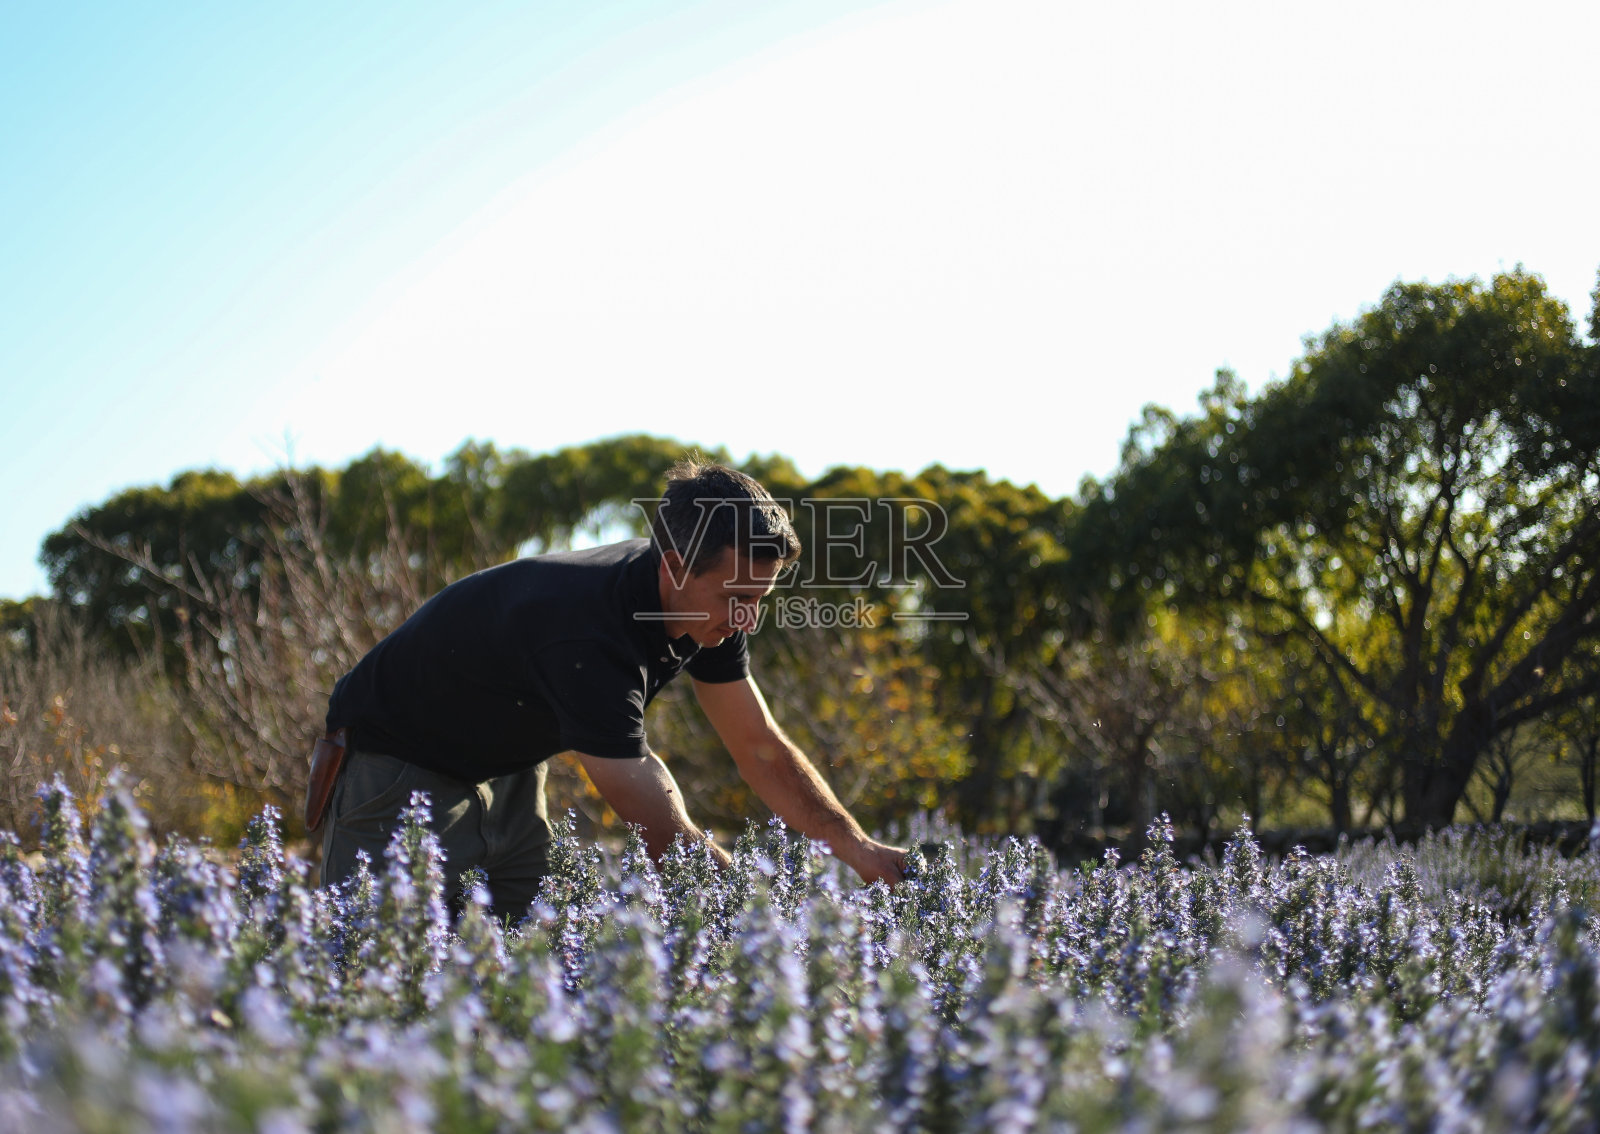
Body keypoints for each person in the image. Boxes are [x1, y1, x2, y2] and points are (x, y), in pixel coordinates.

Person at [317, 459, 908, 921]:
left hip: (508, 760)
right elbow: (657, 824)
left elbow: (758, 746)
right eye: (739, 599)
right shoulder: (586, 634)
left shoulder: (716, 604)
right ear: (675, 568)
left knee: (526, 951)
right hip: (398, 761)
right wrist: (762, 922)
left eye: (761, 599)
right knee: (381, 952)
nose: (749, 618)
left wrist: (856, 848)